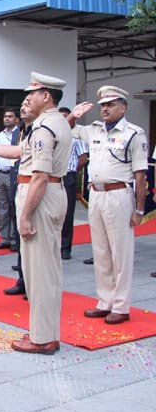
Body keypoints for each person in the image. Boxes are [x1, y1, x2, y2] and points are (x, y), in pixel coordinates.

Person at [0, 72, 71, 355]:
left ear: (47, 96)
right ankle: (47, 332)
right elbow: (20, 152)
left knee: (38, 273)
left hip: (39, 197)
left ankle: (41, 338)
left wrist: (26, 216)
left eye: (32, 95)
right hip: (49, 195)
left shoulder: (44, 127)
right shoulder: (54, 123)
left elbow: (40, 176)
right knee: (47, 271)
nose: (26, 100)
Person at [71, 86, 148, 325]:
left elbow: (140, 175)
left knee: (120, 252)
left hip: (119, 195)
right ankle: (104, 301)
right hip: (96, 194)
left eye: (111, 104)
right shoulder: (93, 130)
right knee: (101, 251)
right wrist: (73, 115)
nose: (105, 108)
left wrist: (139, 209)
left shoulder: (134, 133)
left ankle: (121, 305)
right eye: (103, 105)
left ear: (123, 107)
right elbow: (63, 130)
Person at [3, 100, 32, 298]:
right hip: (17, 182)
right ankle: (22, 279)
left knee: (33, 239)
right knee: (20, 234)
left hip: (34, 185)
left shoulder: (39, 130)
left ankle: (32, 283)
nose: (23, 108)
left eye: (27, 105)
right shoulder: (18, 132)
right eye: (21, 105)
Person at [58, 106, 89, 260]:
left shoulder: (76, 139)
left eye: (66, 116)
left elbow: (83, 159)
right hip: (53, 178)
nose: (64, 119)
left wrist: (71, 171)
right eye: (61, 117)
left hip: (68, 177)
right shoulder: (54, 137)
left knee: (67, 214)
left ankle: (65, 248)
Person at [0, 108, 20, 251]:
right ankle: (5, 238)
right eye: (5, 116)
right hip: (1, 175)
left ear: (16, 119)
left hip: (13, 174)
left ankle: (15, 238)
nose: (7, 119)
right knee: (2, 208)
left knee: (14, 207)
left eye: (10, 116)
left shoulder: (19, 135)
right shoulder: (0, 136)